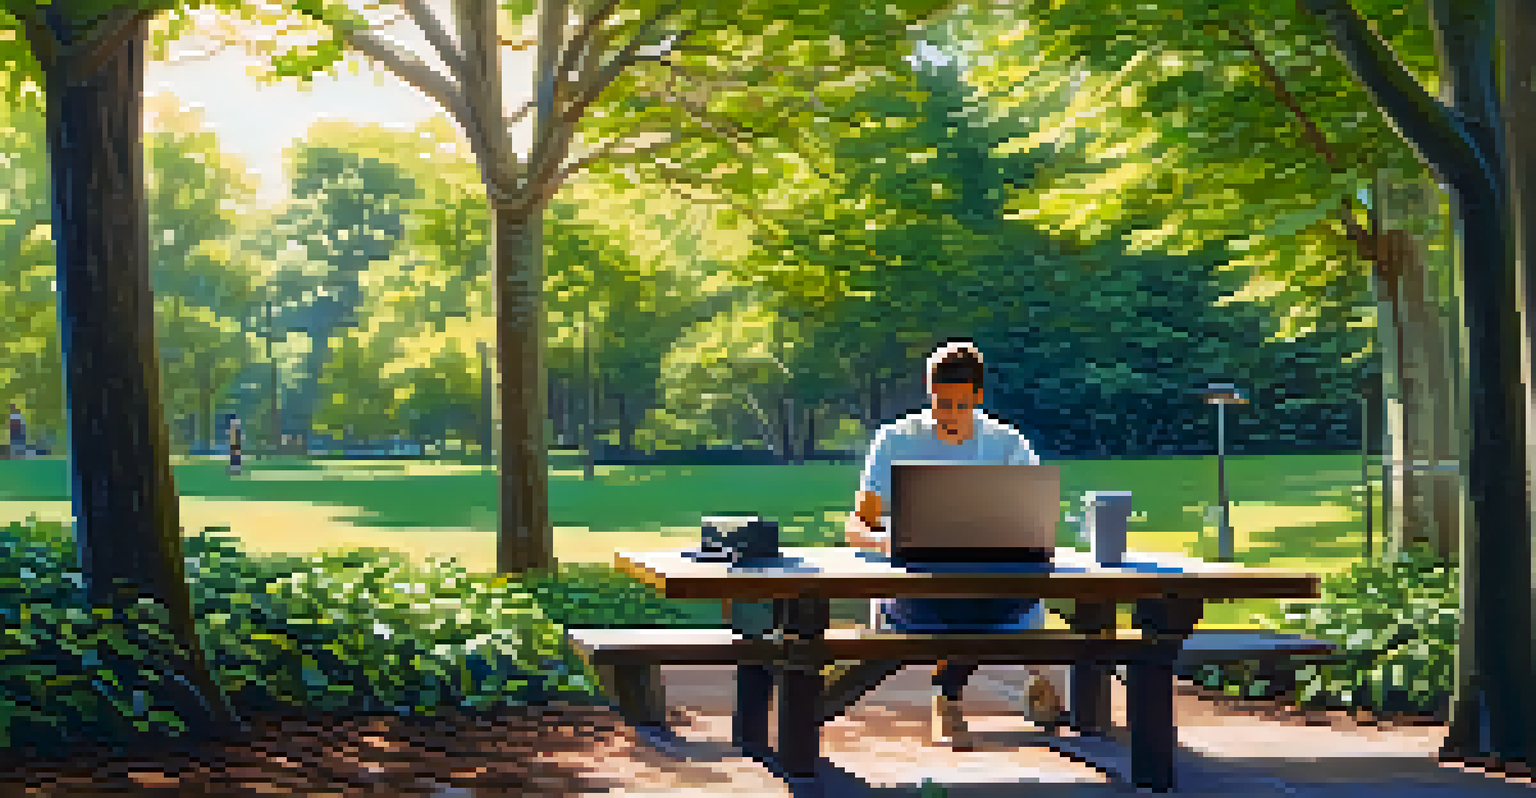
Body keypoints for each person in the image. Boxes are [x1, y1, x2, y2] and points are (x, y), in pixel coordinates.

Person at [845, 339, 1067, 748]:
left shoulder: (1007, 445)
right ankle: (960, 691)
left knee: (1004, 582)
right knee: (965, 591)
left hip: (992, 585)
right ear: (929, 394)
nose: (949, 415)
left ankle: (947, 695)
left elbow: (1035, 524)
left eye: (960, 405)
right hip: (920, 590)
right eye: (940, 403)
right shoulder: (895, 440)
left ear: (978, 397)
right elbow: (857, 526)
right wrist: (885, 540)